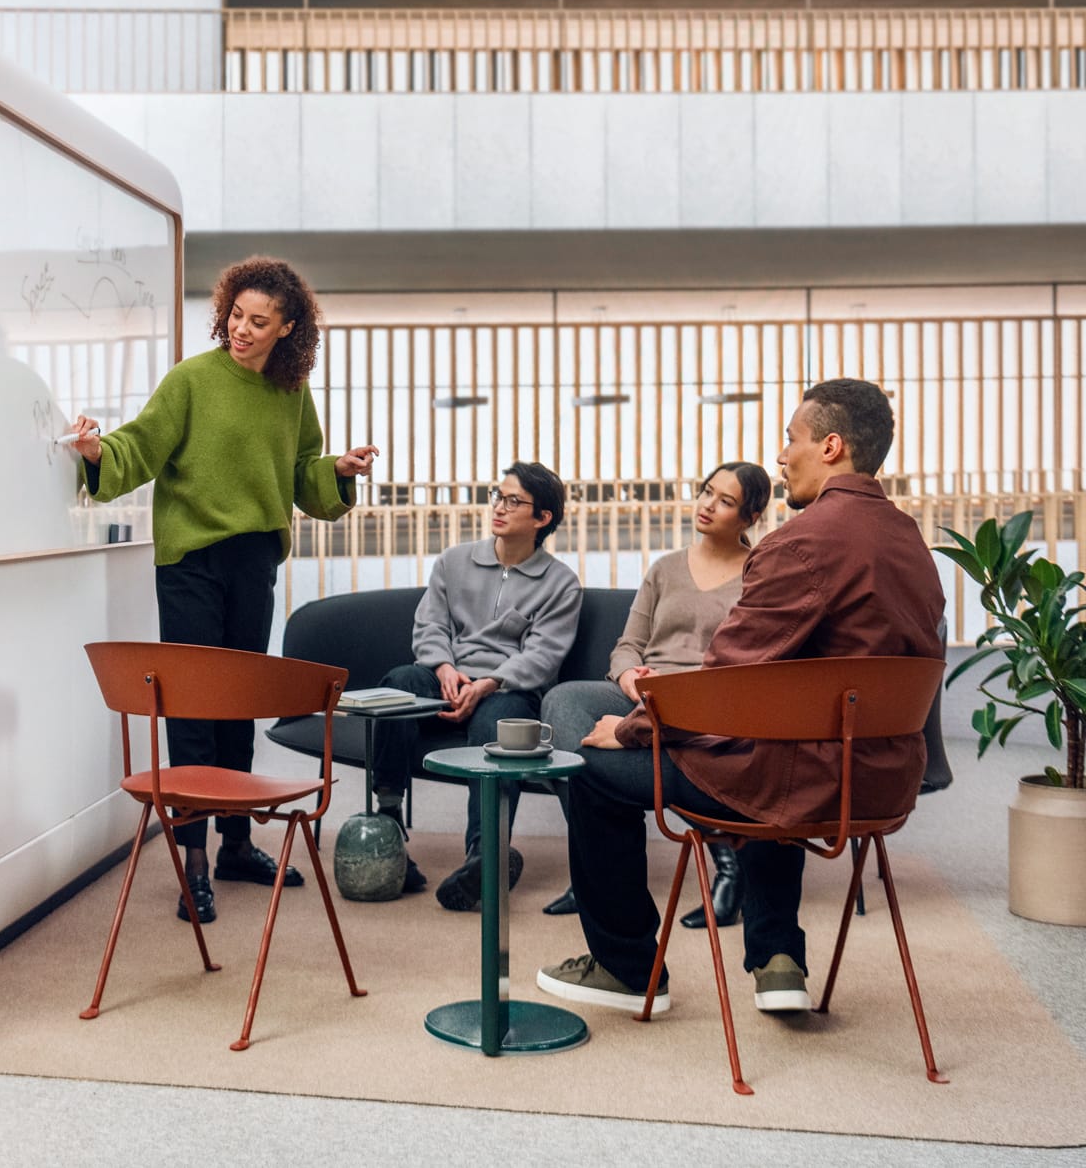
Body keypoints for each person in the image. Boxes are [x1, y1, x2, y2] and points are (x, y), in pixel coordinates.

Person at [538, 379, 945, 1018]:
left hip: (803, 782)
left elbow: (722, 682)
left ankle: (625, 967)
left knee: (581, 753)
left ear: (831, 446)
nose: (783, 455)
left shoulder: (801, 542)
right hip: (880, 779)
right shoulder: (910, 542)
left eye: (793, 438)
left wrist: (627, 731)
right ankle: (779, 954)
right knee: (770, 739)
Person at [67, 255, 377, 925]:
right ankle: (193, 862)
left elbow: (302, 474)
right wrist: (98, 454)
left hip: (254, 560)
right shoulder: (191, 382)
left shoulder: (292, 393)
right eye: (235, 315)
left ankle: (238, 844)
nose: (240, 329)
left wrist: (339, 470)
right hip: (192, 564)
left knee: (238, 705)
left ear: (286, 328)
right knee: (192, 709)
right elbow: (140, 449)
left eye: (258, 321)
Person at [537, 461, 772, 920]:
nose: (707, 505)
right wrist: (629, 679)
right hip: (642, 694)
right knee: (562, 703)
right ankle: (600, 863)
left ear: (749, 518)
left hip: (706, 704)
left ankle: (723, 861)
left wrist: (675, 694)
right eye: (706, 491)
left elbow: (750, 663)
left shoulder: (760, 576)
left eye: (725, 501)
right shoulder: (665, 569)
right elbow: (629, 645)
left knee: (626, 751)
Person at [370, 462, 583, 911]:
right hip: (445, 676)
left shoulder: (560, 583)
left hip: (508, 688)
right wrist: (444, 668)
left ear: (542, 518)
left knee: (498, 722)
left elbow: (543, 656)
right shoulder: (453, 561)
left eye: (513, 501)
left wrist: (489, 683)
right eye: (498, 497)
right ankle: (389, 826)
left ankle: (484, 856)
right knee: (398, 686)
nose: (499, 508)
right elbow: (430, 625)